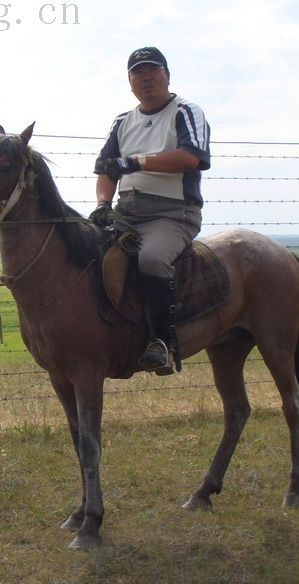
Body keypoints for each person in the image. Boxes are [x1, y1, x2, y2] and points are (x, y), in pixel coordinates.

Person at [91, 46, 211, 375]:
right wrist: (103, 203)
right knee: (86, 249)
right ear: (129, 82)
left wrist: (136, 161)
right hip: (126, 212)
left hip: (173, 214)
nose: (145, 78)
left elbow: (190, 157)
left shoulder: (186, 111)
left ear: (167, 75)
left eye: (152, 71)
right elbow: (105, 169)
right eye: (137, 73)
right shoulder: (122, 121)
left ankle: (162, 343)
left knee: (152, 258)